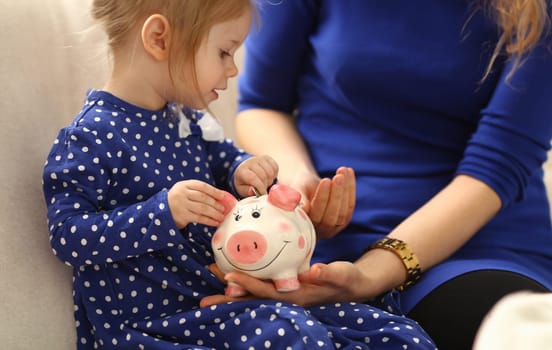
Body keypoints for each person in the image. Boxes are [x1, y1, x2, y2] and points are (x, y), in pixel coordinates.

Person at [42, 1, 437, 349]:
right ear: (160, 38)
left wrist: (245, 170)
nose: (233, 69)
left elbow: (228, 161)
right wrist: (163, 212)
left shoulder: (186, 120)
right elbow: (67, 237)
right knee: (291, 333)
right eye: (225, 51)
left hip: (220, 301)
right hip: (155, 323)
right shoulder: (91, 137)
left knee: (386, 330)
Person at [199, 1, 552, 349]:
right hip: (316, 249)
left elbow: (498, 164)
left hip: (475, 250)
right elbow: (261, 105)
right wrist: (296, 182)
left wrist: (372, 273)